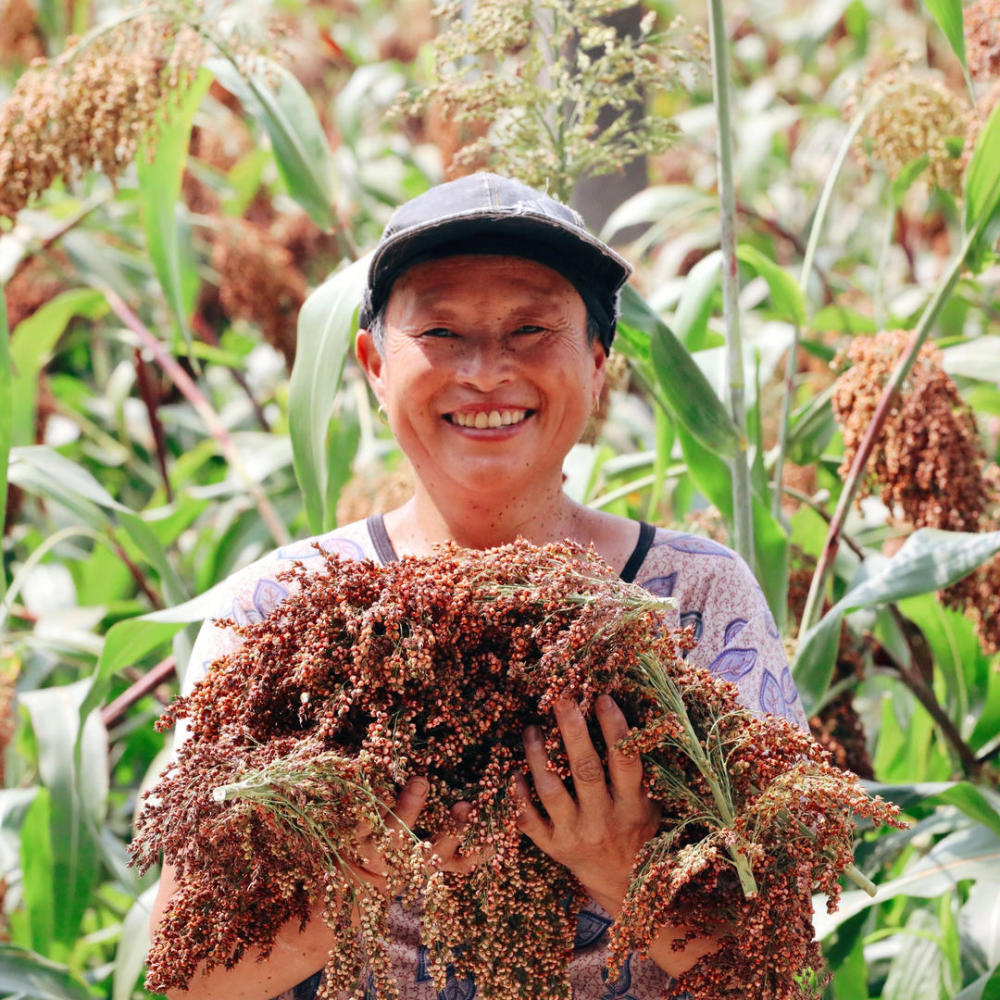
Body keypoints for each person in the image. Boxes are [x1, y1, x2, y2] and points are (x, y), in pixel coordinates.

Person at [149, 172, 809, 1000]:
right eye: (442, 331)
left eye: (532, 328)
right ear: (374, 367)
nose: (487, 371)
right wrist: (355, 870)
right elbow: (184, 976)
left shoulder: (695, 602)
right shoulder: (278, 611)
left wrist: (624, 867)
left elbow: (785, 975)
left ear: (599, 365)